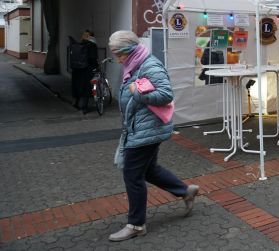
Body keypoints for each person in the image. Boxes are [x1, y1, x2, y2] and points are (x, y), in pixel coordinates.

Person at [108, 30, 199, 242]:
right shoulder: (135, 64)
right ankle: (185, 191)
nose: (117, 58)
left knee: (132, 175)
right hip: (141, 128)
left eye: (119, 53)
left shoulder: (149, 65)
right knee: (148, 170)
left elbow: (166, 95)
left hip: (146, 131)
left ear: (129, 51)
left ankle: (136, 225)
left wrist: (136, 93)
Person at [70, 30, 98, 114]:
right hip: (87, 69)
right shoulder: (92, 45)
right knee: (86, 87)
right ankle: (84, 107)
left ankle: (75, 102)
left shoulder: (77, 45)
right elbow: (93, 58)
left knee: (77, 85)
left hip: (76, 69)